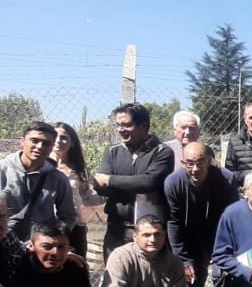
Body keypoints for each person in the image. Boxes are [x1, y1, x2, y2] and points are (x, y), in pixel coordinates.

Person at [164, 142, 239, 287]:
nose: (195, 169)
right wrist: (183, 258)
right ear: (182, 163)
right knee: (192, 279)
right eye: (189, 163)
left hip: (218, 233)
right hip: (188, 235)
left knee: (223, 274)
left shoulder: (226, 179)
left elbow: (232, 217)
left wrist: (226, 251)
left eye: (200, 163)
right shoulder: (173, 182)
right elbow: (173, 222)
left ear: (209, 161)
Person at [93, 103, 174, 260]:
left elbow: (149, 182)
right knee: (116, 273)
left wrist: (110, 180)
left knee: (150, 274)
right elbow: (100, 187)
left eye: (127, 125)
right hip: (118, 229)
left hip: (150, 231)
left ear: (143, 125)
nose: (120, 130)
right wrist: (136, 184)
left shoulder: (162, 152)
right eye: (118, 125)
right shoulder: (113, 151)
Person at [0, 122, 76, 240]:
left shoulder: (58, 179)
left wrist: (52, 240)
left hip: (39, 246)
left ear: (52, 147)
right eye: (34, 141)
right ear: (22, 141)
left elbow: (68, 216)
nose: (40, 146)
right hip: (5, 242)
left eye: (46, 143)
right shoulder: (3, 169)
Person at [52, 122, 94, 257]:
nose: (58, 141)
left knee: (77, 265)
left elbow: (86, 197)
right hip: (47, 224)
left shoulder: (79, 170)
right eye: (55, 136)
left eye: (64, 137)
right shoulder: (41, 166)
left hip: (75, 226)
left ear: (72, 143)